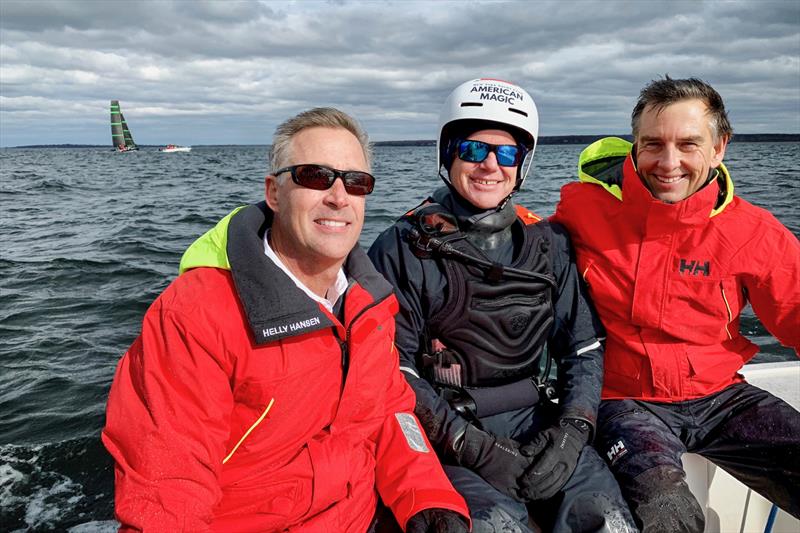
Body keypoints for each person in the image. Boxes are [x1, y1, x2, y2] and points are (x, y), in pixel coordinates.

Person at [102, 107, 470, 532]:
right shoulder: (196, 314)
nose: (338, 196)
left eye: (356, 182)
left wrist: (428, 499)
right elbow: (169, 488)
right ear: (274, 193)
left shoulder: (370, 303)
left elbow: (391, 413)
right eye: (315, 176)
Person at [369, 78, 636, 533]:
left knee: (606, 517)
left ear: (522, 165)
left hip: (537, 419)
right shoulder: (402, 247)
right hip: (444, 428)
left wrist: (573, 430)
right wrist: (467, 444)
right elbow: (392, 368)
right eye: (474, 150)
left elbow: (583, 348)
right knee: (495, 523)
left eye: (507, 153)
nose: (490, 165)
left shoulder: (548, 244)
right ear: (449, 153)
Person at [552, 76, 800, 532]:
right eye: (653, 144)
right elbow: (519, 247)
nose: (669, 163)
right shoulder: (583, 207)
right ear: (635, 145)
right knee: (665, 510)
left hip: (722, 396)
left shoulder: (753, 231)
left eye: (688, 144)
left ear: (719, 147)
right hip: (624, 401)